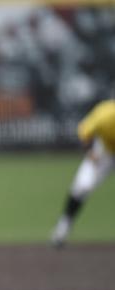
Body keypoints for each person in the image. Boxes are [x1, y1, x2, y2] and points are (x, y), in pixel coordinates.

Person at [51, 99, 115, 248]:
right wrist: (90, 152)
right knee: (82, 186)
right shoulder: (105, 114)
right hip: (105, 152)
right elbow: (84, 130)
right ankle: (62, 228)